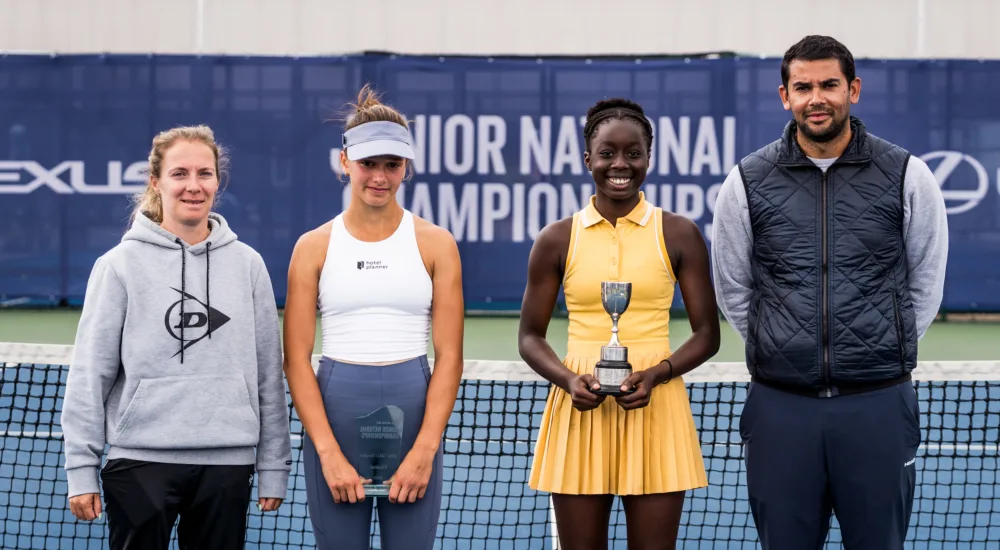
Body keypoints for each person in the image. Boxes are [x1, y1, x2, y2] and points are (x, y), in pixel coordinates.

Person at [712, 35, 949, 550]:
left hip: (879, 404)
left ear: (853, 90)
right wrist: (782, 345)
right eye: (803, 87)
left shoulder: (908, 175)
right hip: (780, 408)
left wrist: (879, 342)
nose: (816, 98)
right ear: (785, 96)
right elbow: (733, 286)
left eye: (829, 85)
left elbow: (925, 283)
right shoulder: (746, 180)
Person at [61, 125, 292, 550]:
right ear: (156, 182)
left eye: (204, 173)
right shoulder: (118, 266)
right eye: (179, 173)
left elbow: (268, 377)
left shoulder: (248, 265)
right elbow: (90, 374)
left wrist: (273, 465)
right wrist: (80, 467)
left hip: (228, 466)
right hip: (140, 463)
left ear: (217, 181)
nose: (193, 185)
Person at [518, 97, 722, 549]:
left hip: (657, 408)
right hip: (578, 411)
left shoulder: (678, 233)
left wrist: (658, 373)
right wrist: (569, 380)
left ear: (649, 158)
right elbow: (529, 337)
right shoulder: (555, 239)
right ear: (587, 159)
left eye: (634, 153)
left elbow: (708, 334)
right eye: (607, 153)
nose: (620, 165)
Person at [283, 85, 464, 550]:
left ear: (406, 165)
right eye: (368, 163)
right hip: (335, 414)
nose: (380, 177)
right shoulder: (312, 247)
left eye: (392, 164)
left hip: (414, 411)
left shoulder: (437, 244)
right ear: (345, 161)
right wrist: (327, 451)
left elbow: (449, 357)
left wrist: (425, 450)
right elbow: (296, 360)